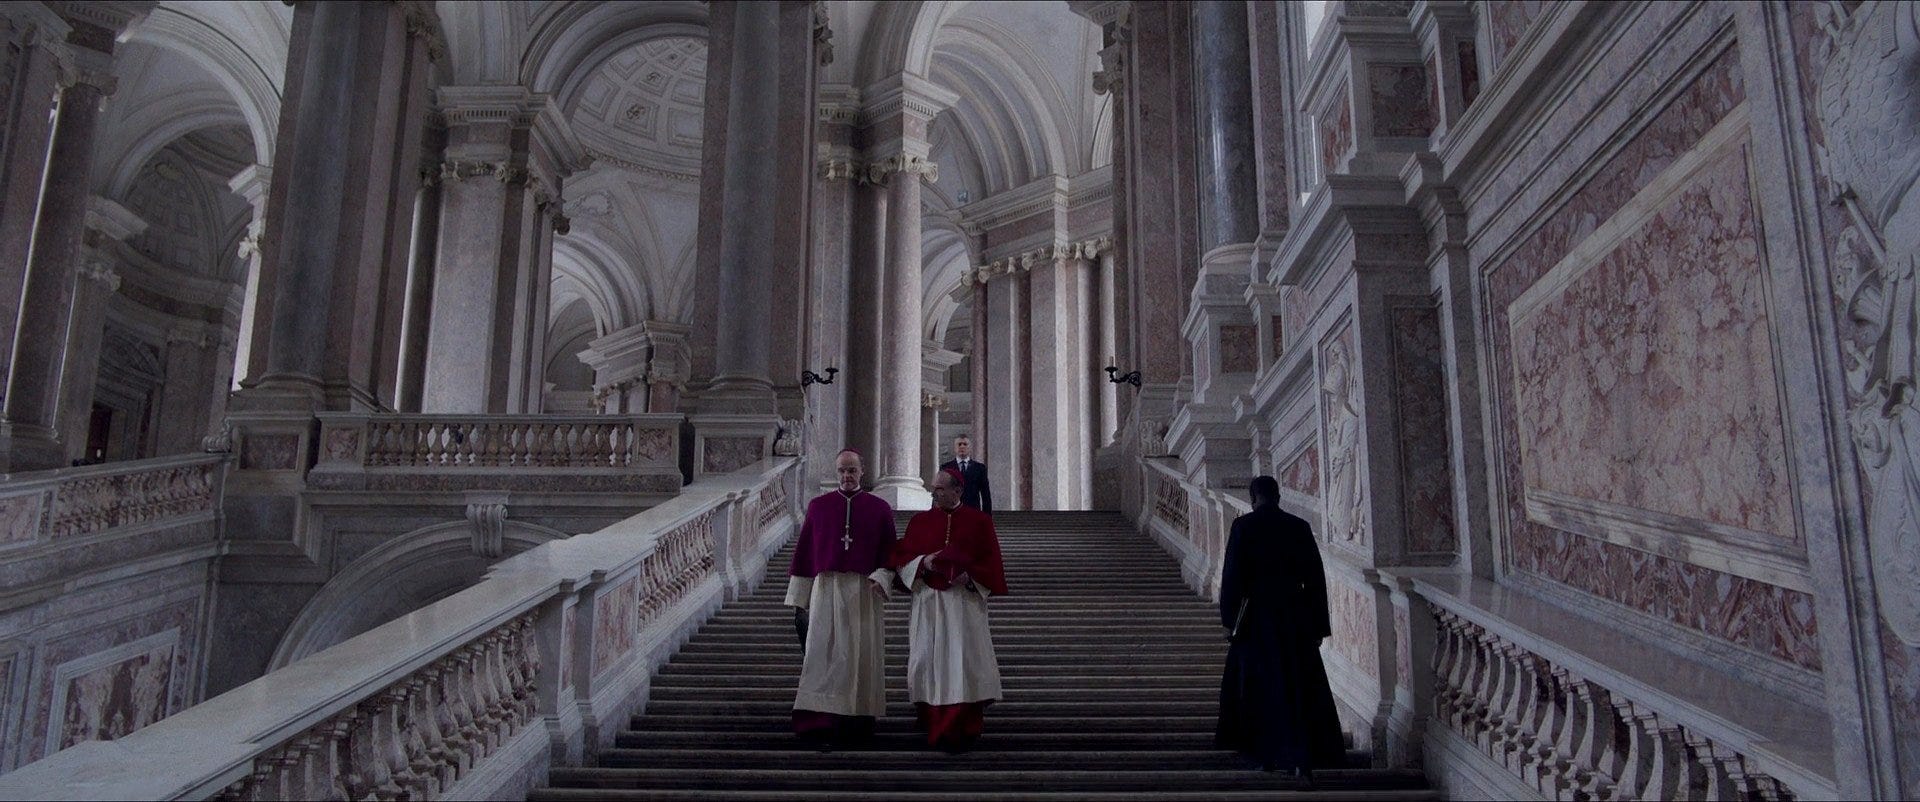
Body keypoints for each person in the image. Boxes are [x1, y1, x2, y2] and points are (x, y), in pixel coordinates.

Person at [1215, 475, 1346, 775]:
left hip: (1257, 619)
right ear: (1278, 497)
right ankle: (1302, 759)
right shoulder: (1298, 527)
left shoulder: (1243, 526)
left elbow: (1232, 577)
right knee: (1300, 688)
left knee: (1258, 689)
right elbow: (1315, 580)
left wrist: (1228, 621)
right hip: (1294, 618)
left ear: (1252, 498)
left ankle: (1266, 756)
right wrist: (1318, 627)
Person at [889, 467, 1007, 752]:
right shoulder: (919, 522)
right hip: (929, 603)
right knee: (926, 661)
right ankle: (930, 719)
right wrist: (924, 562)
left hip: (964, 606)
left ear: (958, 491)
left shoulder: (979, 522)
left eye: (941, 489)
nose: (935, 493)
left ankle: (964, 725)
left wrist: (972, 576)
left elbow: (992, 564)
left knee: (963, 663)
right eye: (934, 488)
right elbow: (901, 557)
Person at [786, 449, 897, 748]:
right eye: (842, 471)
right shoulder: (818, 507)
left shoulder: (880, 508)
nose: (847, 476)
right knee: (823, 657)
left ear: (862, 471)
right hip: (826, 588)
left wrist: (884, 578)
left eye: (852, 470)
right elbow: (806, 553)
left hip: (864, 591)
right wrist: (800, 600)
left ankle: (858, 722)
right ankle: (822, 723)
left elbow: (891, 553)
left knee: (861, 657)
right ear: (836, 473)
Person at [938, 434, 993, 515]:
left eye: (965, 444)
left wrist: (987, 518)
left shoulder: (980, 468)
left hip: (973, 513)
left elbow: (986, 495)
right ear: (954, 448)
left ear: (970, 447)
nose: (962, 447)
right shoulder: (945, 468)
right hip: (952, 513)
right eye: (959, 444)